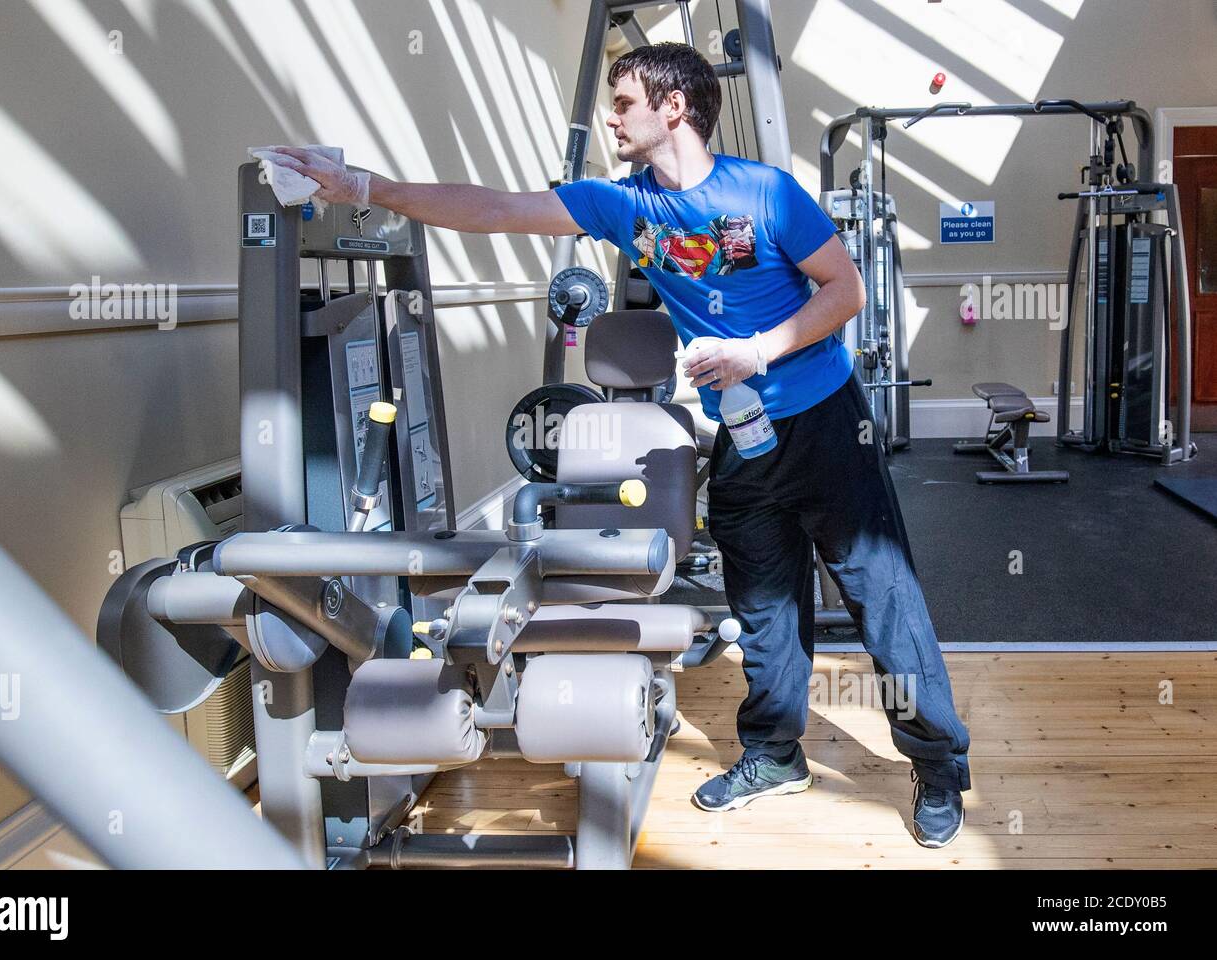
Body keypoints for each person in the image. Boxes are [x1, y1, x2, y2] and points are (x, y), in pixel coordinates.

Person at [270, 41, 970, 848]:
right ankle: (776, 753)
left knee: (882, 600)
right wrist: (363, 187)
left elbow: (844, 289)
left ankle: (940, 765)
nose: (611, 115)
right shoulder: (620, 203)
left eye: (625, 101)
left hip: (821, 419)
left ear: (674, 107)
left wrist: (758, 349)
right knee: (764, 608)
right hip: (743, 435)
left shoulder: (766, 193)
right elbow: (495, 207)